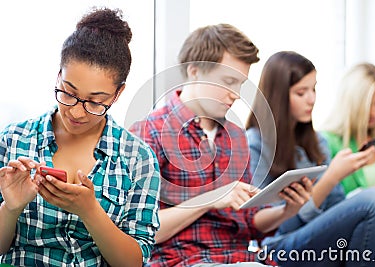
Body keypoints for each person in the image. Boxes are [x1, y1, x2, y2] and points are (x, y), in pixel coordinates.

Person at [130, 24, 316, 267]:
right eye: (228, 81)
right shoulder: (148, 133)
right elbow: (143, 233)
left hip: (241, 258)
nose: (236, 95)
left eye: (240, 84)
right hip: (183, 260)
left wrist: (288, 210)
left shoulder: (236, 137)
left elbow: (249, 223)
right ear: (194, 71)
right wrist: (211, 198)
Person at [0, 8, 160, 267]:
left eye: (95, 102)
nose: (76, 112)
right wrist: (11, 208)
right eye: (68, 92)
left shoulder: (138, 158)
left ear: (117, 94)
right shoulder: (13, 139)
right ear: (58, 75)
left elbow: (133, 262)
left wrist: (90, 211)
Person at [246, 51, 375, 266]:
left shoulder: (317, 143)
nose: (312, 99)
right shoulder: (255, 145)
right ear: (279, 96)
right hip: (280, 246)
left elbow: (335, 210)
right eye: (301, 92)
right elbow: (275, 226)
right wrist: (331, 177)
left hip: (325, 242)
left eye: (314, 89)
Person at [321, 62, 375, 265]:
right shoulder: (326, 142)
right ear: (351, 103)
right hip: (363, 234)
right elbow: (333, 211)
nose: (374, 112)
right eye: (367, 105)